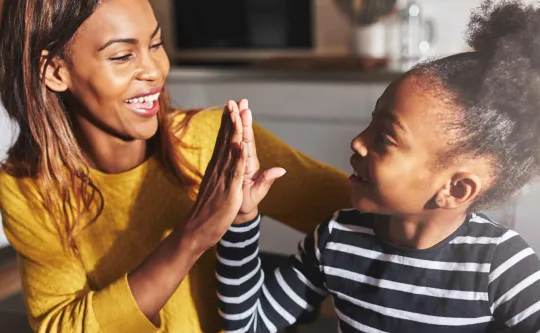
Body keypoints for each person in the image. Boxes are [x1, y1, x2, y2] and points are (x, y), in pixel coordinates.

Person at [0, 0, 350, 332]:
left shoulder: (215, 139)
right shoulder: (26, 188)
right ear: (55, 71)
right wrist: (193, 236)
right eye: (122, 56)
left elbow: (374, 213)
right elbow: (60, 326)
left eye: (156, 44)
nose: (155, 70)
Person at [216, 1, 540, 332]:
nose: (358, 141)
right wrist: (240, 220)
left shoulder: (501, 264)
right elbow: (249, 325)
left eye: (385, 137)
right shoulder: (335, 238)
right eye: (371, 122)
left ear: (455, 189)